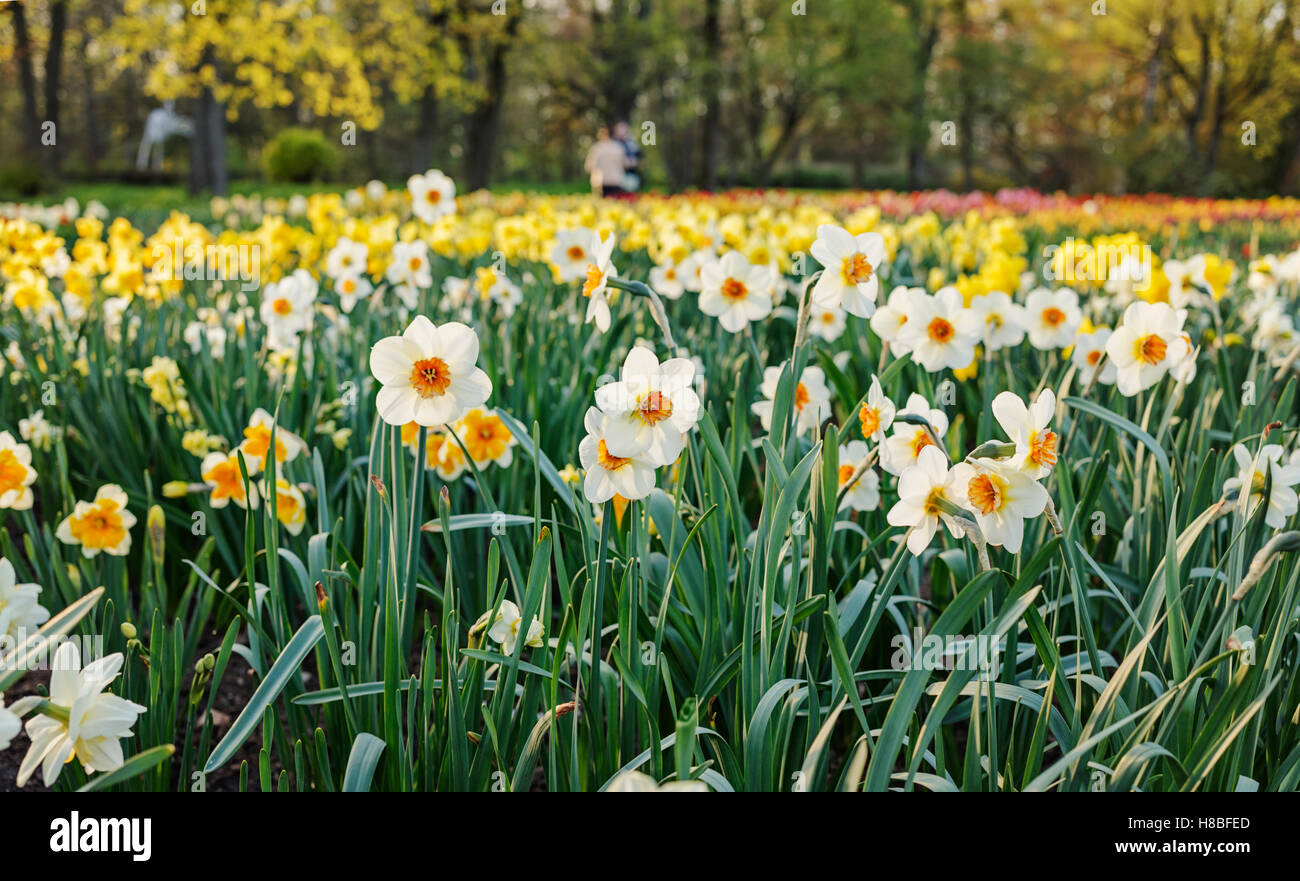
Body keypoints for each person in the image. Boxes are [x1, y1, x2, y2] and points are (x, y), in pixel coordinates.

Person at [585, 126, 628, 197]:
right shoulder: (618, 147)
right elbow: (625, 164)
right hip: (616, 181)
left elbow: (589, 166)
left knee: (602, 205)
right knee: (616, 205)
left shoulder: (596, 148)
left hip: (600, 182)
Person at [613, 120, 643, 193]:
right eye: (620, 128)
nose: (622, 131)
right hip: (616, 175)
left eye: (624, 128)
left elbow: (638, 155)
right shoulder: (613, 143)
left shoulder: (631, 143)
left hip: (630, 174)